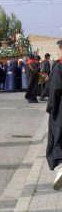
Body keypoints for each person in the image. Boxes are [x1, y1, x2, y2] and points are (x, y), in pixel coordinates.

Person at [47, 40, 62, 189]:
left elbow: (55, 90)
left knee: (57, 137)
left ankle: (60, 169)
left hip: (60, 109)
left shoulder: (59, 67)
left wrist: (51, 107)